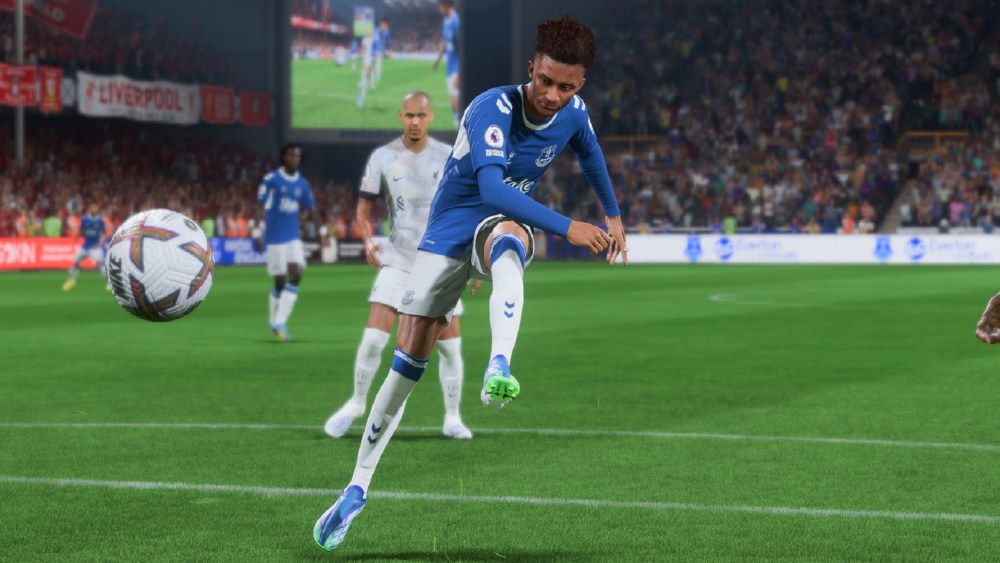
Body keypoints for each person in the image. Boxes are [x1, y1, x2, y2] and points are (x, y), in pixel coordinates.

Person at [314, 15, 628, 551]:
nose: (553, 96)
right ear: (531, 68)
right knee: (407, 365)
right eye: (545, 81)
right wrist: (569, 226)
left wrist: (613, 214)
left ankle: (499, 364)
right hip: (449, 229)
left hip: (499, 224)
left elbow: (591, 155)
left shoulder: (575, 114)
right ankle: (357, 487)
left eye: (566, 87)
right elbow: (492, 189)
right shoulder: (491, 108)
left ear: (581, 84)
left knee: (510, 239)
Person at [323, 91, 472, 441]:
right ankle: (356, 403)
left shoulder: (448, 156)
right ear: (400, 117)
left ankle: (452, 417)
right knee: (374, 338)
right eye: (409, 115)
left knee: (450, 347)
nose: (415, 122)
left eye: (421, 115)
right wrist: (366, 240)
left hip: (439, 262)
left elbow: (465, 207)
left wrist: (469, 258)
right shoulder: (383, 157)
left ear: (431, 117)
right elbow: (363, 208)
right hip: (399, 259)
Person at [253, 143, 320, 342]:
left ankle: (280, 322)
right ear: (284, 157)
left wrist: (323, 231)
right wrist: (257, 232)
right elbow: (258, 205)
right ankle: (274, 321)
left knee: (297, 273)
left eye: (297, 156)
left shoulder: (302, 184)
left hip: (293, 236)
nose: (293, 159)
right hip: (275, 237)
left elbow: (312, 208)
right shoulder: (272, 179)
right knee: (280, 282)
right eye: (290, 155)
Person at [62, 202, 106, 291]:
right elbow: (81, 230)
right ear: (90, 209)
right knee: (75, 263)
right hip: (85, 246)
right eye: (92, 208)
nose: (94, 210)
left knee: (100, 264)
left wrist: (101, 242)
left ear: (97, 210)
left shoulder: (100, 220)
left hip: (95, 247)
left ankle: (110, 284)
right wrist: (75, 238)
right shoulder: (85, 219)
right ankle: (71, 281)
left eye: (95, 208)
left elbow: (104, 233)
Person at [431, 0, 460, 127]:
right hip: (450, 66)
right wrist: (436, 62)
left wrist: (460, 72)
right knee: (453, 100)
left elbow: (464, 49)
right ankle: (458, 125)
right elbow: (445, 43)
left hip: (457, 67)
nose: (439, 9)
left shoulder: (457, 22)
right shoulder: (446, 21)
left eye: (440, 6)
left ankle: (461, 128)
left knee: (456, 99)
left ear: (446, 5)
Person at [356, 29, 376, 108]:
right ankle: (370, 85)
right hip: (369, 57)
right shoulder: (368, 39)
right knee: (367, 74)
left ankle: (369, 86)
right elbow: (363, 47)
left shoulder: (369, 39)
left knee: (365, 74)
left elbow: (364, 47)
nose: (368, 33)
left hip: (369, 57)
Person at [372, 18, 391, 89]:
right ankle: (370, 77)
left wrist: (388, 50)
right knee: (372, 63)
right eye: (383, 25)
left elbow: (387, 42)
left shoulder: (387, 32)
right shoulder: (376, 31)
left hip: (379, 50)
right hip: (372, 49)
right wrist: (384, 50)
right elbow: (376, 42)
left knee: (378, 63)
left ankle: (378, 76)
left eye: (386, 26)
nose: (384, 27)